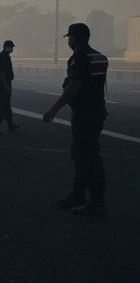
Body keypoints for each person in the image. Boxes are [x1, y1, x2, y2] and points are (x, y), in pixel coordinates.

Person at [43, 23, 109, 217]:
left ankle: (96, 203)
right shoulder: (99, 56)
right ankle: (77, 195)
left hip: (85, 113)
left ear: (74, 37)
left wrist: (54, 108)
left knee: (88, 156)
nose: (69, 41)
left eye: (69, 37)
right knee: (81, 153)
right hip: (97, 110)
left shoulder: (79, 57)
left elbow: (74, 86)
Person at [0, 40, 20, 134]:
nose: (12, 49)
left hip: (2, 84)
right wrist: (5, 85)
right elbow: (1, 72)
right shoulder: (3, 56)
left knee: (7, 106)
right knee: (3, 106)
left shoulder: (3, 56)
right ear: (6, 47)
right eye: (11, 47)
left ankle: (10, 125)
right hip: (2, 85)